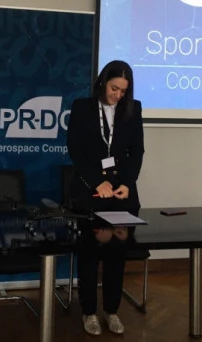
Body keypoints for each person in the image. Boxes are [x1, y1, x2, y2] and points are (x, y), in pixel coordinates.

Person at [66, 60, 144, 336]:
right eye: (114, 88)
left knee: (116, 255)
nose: (118, 95)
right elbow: (75, 150)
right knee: (89, 254)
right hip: (90, 192)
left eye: (123, 91)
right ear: (102, 83)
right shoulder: (82, 107)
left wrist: (127, 183)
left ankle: (112, 311)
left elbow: (137, 151)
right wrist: (97, 182)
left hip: (121, 194)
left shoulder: (133, 109)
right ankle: (89, 312)